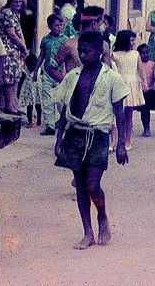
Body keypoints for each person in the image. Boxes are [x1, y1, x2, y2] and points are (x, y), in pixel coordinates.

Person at [52, 31, 129, 249]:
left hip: (98, 135)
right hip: (75, 133)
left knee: (93, 185)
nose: (82, 55)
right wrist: (59, 138)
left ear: (99, 52)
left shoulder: (111, 77)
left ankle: (102, 215)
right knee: (80, 187)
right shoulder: (73, 76)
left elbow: (120, 112)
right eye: (80, 51)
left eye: (87, 51)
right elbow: (64, 108)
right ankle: (87, 232)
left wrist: (121, 143)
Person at [111, 30, 145, 151]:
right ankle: (114, 140)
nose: (133, 42)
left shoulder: (135, 54)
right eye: (131, 40)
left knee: (129, 114)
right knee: (115, 114)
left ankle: (127, 140)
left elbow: (140, 69)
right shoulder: (115, 55)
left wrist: (144, 82)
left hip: (132, 83)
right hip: (120, 83)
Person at [0, 0, 28, 116]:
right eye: (16, 2)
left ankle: (13, 104)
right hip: (8, 49)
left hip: (15, 50)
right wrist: (23, 46)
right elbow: (11, 34)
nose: (18, 4)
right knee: (9, 79)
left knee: (15, 78)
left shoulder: (15, 14)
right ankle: (9, 106)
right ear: (10, 1)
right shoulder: (7, 13)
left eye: (20, 2)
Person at [37, 14, 66, 134]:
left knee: (61, 100)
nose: (59, 27)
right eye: (56, 25)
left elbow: (67, 58)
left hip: (61, 73)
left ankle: (63, 122)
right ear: (49, 26)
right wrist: (36, 70)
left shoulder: (65, 40)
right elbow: (42, 55)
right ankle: (50, 125)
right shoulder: (45, 40)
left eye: (60, 25)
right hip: (48, 73)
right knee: (47, 100)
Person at [136, 44, 155, 138]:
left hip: (151, 91)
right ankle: (146, 129)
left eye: (147, 52)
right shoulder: (137, 66)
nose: (145, 55)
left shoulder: (152, 64)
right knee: (144, 110)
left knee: (149, 109)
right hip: (141, 91)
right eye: (143, 53)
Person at [17, 54, 41, 128]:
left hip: (37, 90)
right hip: (28, 91)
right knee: (29, 106)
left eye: (33, 65)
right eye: (29, 66)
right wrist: (19, 91)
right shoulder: (25, 71)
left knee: (38, 106)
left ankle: (39, 120)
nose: (31, 67)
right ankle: (30, 121)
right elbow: (21, 80)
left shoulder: (39, 70)